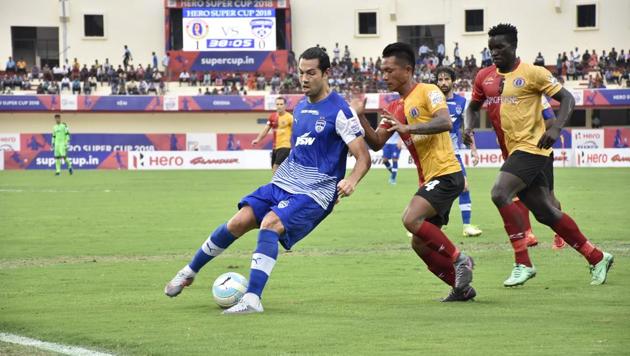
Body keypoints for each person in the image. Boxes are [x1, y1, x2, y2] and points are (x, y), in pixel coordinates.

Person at [164, 47, 371, 314]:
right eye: (301, 73)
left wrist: (351, 180)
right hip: (284, 182)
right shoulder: (300, 106)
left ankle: (252, 300)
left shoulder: (340, 111)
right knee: (237, 221)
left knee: (270, 224)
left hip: (314, 192)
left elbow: (363, 156)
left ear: (326, 73)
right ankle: (189, 271)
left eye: (311, 73)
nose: (304, 79)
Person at [464, 23, 613, 287]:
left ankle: (523, 262)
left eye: (501, 47)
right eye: (491, 48)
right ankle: (596, 256)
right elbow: (472, 107)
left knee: (500, 192)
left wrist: (556, 128)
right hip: (512, 151)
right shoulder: (484, 77)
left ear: (514, 46)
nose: (495, 52)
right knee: (545, 212)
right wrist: (468, 126)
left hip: (533, 147)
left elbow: (567, 98)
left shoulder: (533, 73)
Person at [352, 42, 476, 302]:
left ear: (407, 70)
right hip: (430, 178)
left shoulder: (429, 91)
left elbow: (445, 122)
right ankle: (461, 288)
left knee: (410, 218)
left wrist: (409, 129)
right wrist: (361, 116)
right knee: (418, 242)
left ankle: (460, 259)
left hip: (447, 172)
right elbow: (376, 143)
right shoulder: (397, 108)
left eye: (389, 70)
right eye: (381, 71)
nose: (384, 76)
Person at [435, 66, 483, 237]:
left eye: (446, 79)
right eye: (440, 79)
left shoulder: (461, 102)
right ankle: (423, 225)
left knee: (464, 186)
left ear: (452, 81)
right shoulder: (432, 101)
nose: (443, 82)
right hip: (433, 154)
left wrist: (474, 150)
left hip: (452, 153)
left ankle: (467, 226)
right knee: (431, 189)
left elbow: (467, 129)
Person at [251, 97, 294, 174]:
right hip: (275, 147)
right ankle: (284, 184)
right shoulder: (272, 116)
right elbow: (266, 129)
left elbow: (296, 130)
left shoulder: (290, 117)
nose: (279, 106)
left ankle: (276, 185)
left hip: (285, 146)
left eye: (281, 104)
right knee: (276, 170)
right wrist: (257, 139)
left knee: (276, 168)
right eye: (277, 104)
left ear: (285, 105)